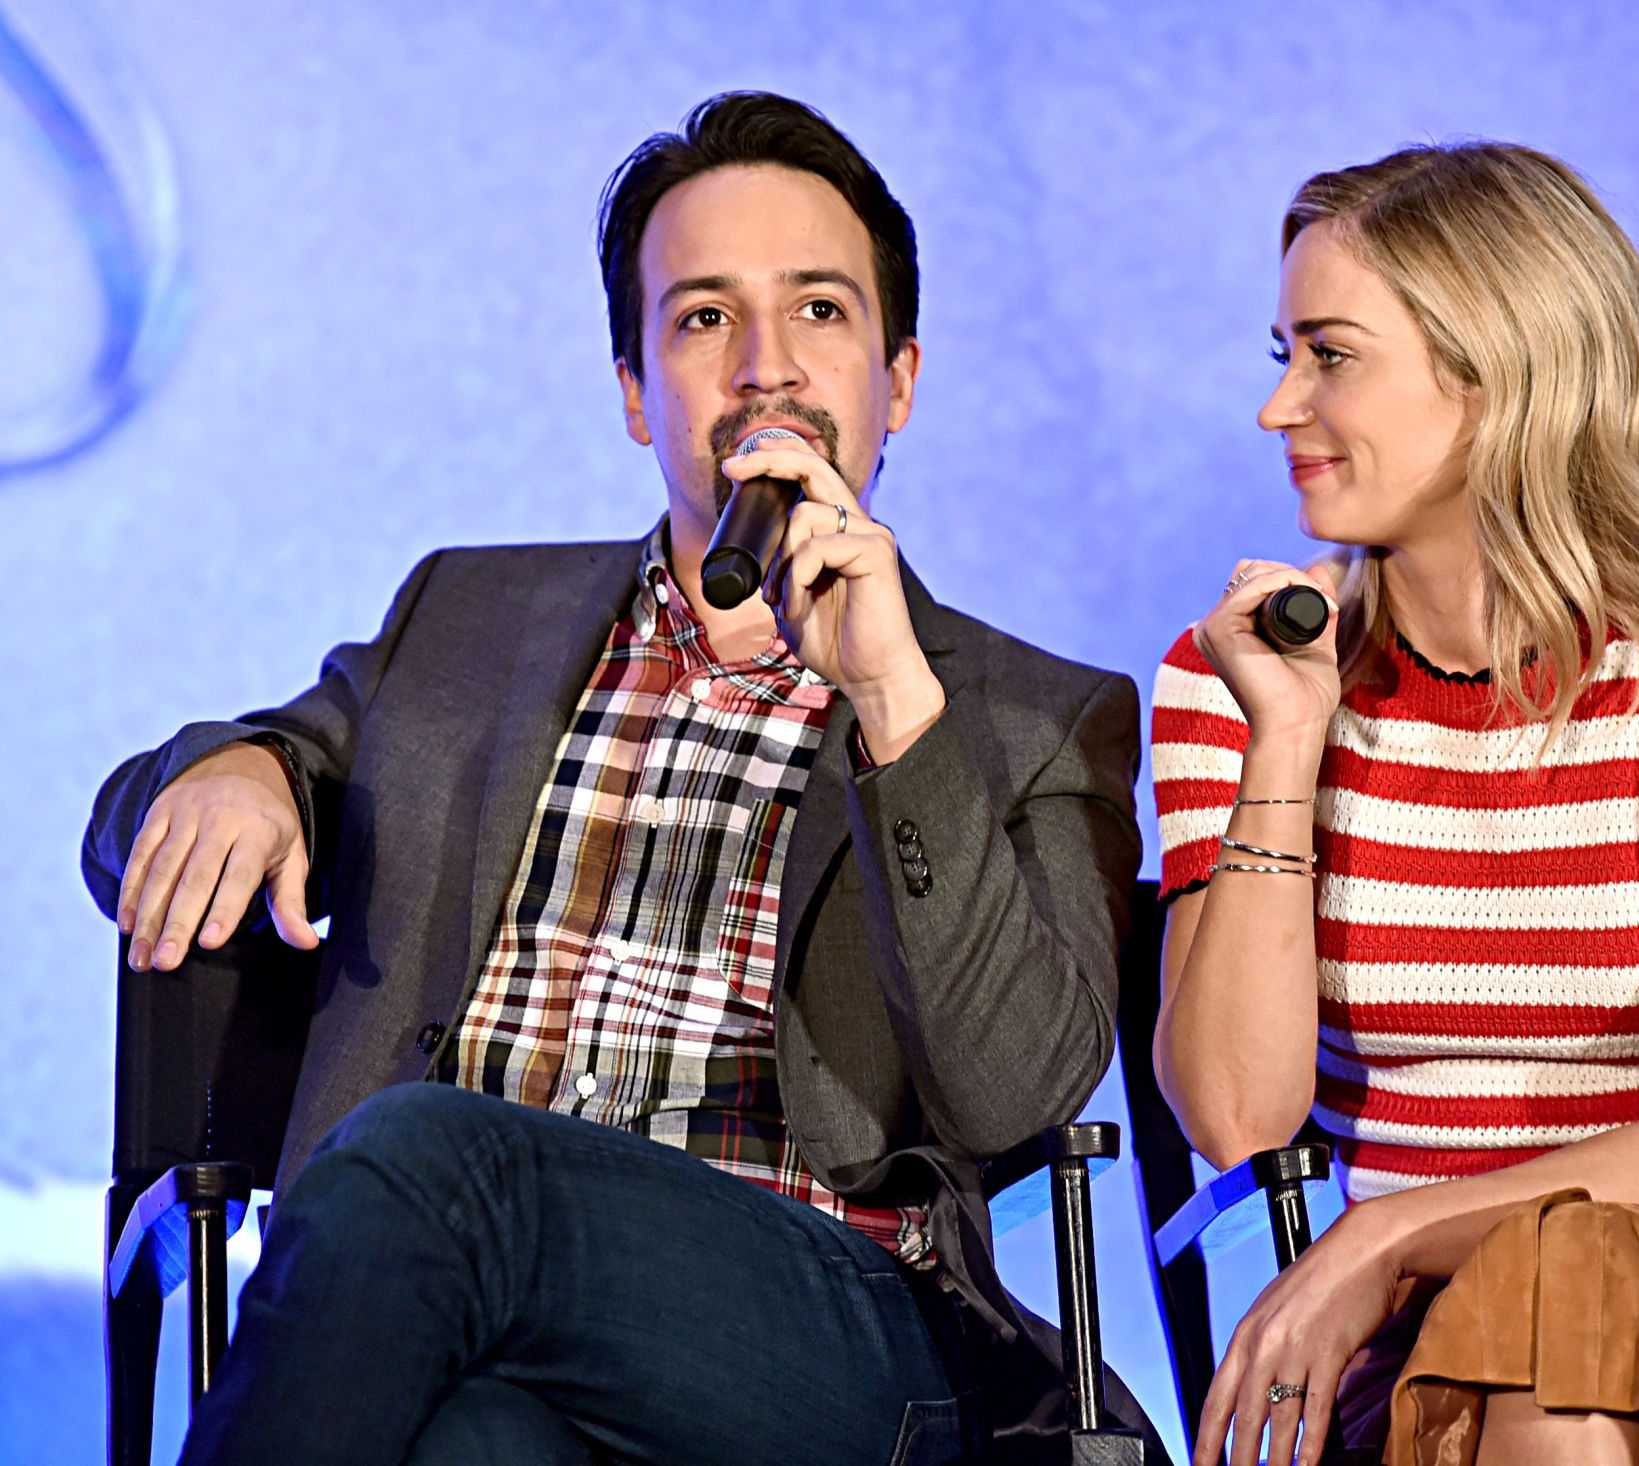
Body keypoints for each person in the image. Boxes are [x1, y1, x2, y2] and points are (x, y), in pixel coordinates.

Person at [83, 91, 1157, 1465]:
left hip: (822, 1334)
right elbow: (134, 822)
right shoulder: (467, 620)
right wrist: (231, 767)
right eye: (704, 316)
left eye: (820, 312)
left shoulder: (1024, 712)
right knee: (474, 1440)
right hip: (460, 1313)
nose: (766, 367)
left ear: (899, 380)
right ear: (637, 388)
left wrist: (893, 702)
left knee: (429, 1155)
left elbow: (1022, 1093)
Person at [1149, 143, 1639, 1466]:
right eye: (1281, 353)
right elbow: (1240, 1117)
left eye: (1331, 354)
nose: (1279, 405)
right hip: (1420, 1342)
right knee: (1543, 1348)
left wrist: (1389, 1228)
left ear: (1496, 376)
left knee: (1572, 1308)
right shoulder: (1229, 678)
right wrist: (1287, 744)